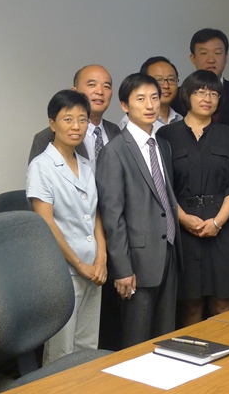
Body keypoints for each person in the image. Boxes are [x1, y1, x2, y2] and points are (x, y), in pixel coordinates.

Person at [96, 73, 182, 348]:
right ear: (124, 105)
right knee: (137, 340)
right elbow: (113, 216)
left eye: (154, 98)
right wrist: (122, 268)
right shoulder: (115, 151)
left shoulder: (162, 145)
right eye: (141, 99)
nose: (150, 105)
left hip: (168, 252)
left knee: (165, 336)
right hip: (136, 262)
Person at [158, 70, 229, 325]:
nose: (207, 98)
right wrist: (183, 218)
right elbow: (162, 186)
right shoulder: (166, 136)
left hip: (224, 227)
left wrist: (218, 221)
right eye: (200, 92)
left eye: (213, 94)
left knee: (225, 304)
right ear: (187, 95)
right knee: (190, 306)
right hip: (184, 229)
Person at [26, 90, 107, 364]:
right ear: (52, 124)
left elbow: (95, 215)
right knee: (61, 353)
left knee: (88, 348)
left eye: (82, 119)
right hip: (64, 270)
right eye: (68, 119)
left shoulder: (86, 165)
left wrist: (101, 259)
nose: (76, 126)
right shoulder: (42, 166)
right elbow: (46, 223)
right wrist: (79, 264)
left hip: (92, 269)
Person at [29, 64, 120, 169]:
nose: (100, 92)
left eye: (106, 86)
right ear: (74, 92)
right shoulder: (47, 137)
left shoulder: (115, 132)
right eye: (92, 85)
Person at [189, 28, 229, 126]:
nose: (211, 60)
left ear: (226, 57)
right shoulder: (179, 95)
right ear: (193, 58)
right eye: (204, 53)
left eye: (217, 53)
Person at [119, 56, 183, 130]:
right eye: (159, 80)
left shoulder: (181, 119)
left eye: (171, 79)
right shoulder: (128, 123)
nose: (166, 86)